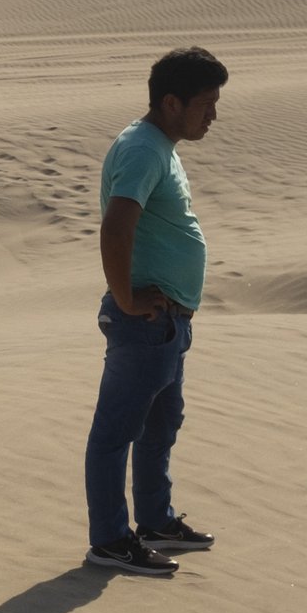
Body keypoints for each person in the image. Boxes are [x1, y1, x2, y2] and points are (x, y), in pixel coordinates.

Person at [84, 47, 227, 575]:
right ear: (172, 102)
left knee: (159, 426)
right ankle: (110, 541)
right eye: (206, 104)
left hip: (166, 326)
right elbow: (117, 226)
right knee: (115, 432)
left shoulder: (159, 145)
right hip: (143, 323)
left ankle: (155, 521)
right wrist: (125, 299)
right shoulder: (144, 149)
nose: (213, 115)